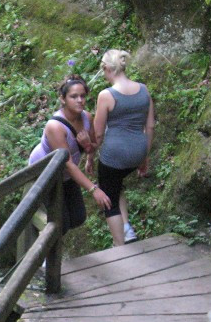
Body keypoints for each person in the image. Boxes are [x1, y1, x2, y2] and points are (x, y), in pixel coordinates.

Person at [28, 75, 111, 232]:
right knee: (60, 224)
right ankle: (44, 250)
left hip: (66, 174)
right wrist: (94, 189)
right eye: (74, 96)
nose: (79, 100)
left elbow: (93, 146)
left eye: (82, 96)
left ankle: (47, 235)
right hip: (45, 173)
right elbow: (69, 164)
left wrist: (88, 147)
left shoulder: (86, 117)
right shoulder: (55, 126)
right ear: (63, 99)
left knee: (78, 217)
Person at [93, 50, 155, 246]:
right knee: (116, 183)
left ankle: (119, 247)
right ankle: (126, 227)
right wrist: (145, 157)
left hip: (114, 156)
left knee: (108, 197)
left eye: (103, 71)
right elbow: (150, 126)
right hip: (137, 152)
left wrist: (90, 154)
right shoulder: (144, 90)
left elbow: (99, 133)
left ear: (107, 69)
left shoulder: (107, 95)